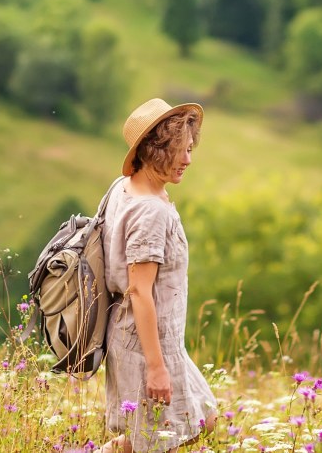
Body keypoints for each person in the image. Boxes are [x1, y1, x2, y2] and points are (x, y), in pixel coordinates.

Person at [101, 98, 218, 453]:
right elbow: (139, 291)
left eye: (190, 149)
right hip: (143, 344)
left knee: (204, 418)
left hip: (163, 342)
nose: (188, 160)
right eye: (179, 151)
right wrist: (155, 367)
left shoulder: (125, 187)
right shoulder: (150, 211)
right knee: (159, 442)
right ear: (153, 151)